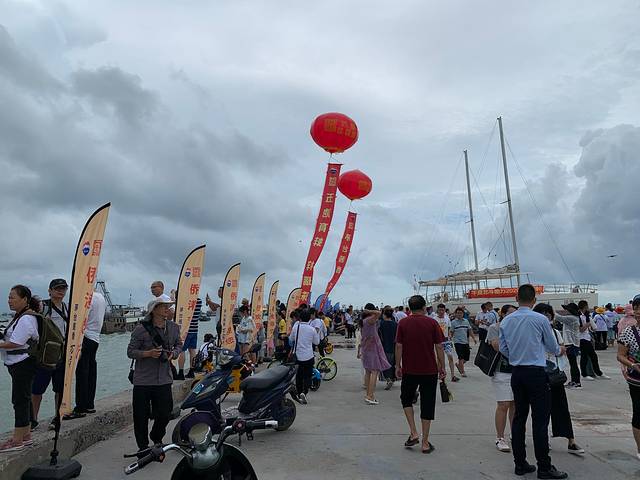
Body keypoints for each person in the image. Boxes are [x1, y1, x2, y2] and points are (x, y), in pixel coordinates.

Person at [499, 284, 567, 479]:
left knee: (519, 418)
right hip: (536, 373)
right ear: (534, 300)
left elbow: (503, 348)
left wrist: (516, 356)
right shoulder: (540, 319)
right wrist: (558, 350)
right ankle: (544, 467)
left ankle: (520, 463)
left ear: (516, 298)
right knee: (540, 420)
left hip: (517, 373)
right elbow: (552, 346)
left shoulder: (506, 321)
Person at [127, 297, 182, 455]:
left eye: (168, 306)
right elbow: (130, 352)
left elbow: (179, 344)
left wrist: (174, 354)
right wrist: (148, 353)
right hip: (143, 379)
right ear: (154, 309)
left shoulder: (173, 327)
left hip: (164, 378)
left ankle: (156, 436)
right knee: (140, 416)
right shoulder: (141, 329)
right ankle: (143, 446)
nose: (167, 309)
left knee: (165, 412)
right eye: (164, 306)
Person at [395, 295, 445, 454]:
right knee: (427, 403)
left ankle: (413, 432)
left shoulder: (403, 323)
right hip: (429, 370)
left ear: (410, 308)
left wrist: (397, 365)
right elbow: (439, 346)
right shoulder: (432, 323)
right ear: (424, 307)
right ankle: (425, 442)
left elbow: (399, 346)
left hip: (409, 369)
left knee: (406, 399)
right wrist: (442, 366)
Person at [533, 303, 585, 456]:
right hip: (538, 374)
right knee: (541, 410)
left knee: (561, 407)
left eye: (548, 314)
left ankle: (571, 441)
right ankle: (543, 439)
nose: (546, 317)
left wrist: (558, 349)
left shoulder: (555, 332)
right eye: (542, 314)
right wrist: (557, 349)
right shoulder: (533, 333)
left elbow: (562, 349)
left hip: (554, 374)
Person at [0, 286, 40, 452]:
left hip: (23, 363)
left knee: (20, 400)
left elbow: (16, 343)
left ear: (24, 299)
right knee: (24, 398)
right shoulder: (21, 316)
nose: (9, 300)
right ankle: (26, 435)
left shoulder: (26, 319)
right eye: (9, 297)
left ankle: (17, 441)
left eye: (12, 297)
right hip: (21, 363)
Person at [32, 278, 73, 429]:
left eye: (63, 288)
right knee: (37, 389)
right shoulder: (42, 307)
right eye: (57, 288)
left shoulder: (67, 308)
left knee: (60, 388)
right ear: (49, 290)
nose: (61, 291)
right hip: (45, 355)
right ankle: (33, 419)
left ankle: (58, 416)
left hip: (62, 353)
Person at [69, 289, 106, 418]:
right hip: (95, 337)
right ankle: (90, 404)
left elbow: (80, 318)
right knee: (91, 371)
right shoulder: (101, 297)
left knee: (82, 373)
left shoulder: (87, 297)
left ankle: (80, 407)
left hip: (85, 336)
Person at [487, 304, 516, 453]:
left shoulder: (519, 328)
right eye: (510, 314)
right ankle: (500, 437)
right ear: (502, 314)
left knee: (515, 404)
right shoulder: (495, 328)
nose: (513, 316)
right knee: (504, 404)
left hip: (517, 370)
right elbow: (497, 346)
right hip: (501, 371)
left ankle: (515, 433)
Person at [616, 296, 640, 460]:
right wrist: (632, 365)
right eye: (636, 308)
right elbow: (620, 355)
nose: (638, 312)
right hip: (637, 380)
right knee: (638, 413)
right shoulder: (628, 332)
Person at [360, 303, 391, 405]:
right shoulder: (370, 320)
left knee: (368, 371)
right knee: (374, 371)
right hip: (372, 349)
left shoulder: (364, 321)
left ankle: (369, 395)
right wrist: (369, 311)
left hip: (366, 348)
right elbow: (379, 313)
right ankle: (370, 395)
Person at [289, 308, 319, 405]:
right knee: (308, 376)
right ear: (309, 318)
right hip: (308, 356)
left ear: (300, 318)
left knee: (299, 375)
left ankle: (299, 393)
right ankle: (304, 392)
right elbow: (316, 342)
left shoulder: (296, 327)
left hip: (298, 356)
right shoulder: (312, 329)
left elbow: (291, 339)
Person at [577, 300, 609, 380]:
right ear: (585, 307)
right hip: (582, 339)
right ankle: (586, 374)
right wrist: (588, 324)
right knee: (586, 356)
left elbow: (594, 328)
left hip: (587, 338)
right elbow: (581, 329)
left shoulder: (586, 316)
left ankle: (596, 372)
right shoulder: (579, 317)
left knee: (591, 356)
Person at [555, 303, 583, 389]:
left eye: (566, 309)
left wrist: (551, 310)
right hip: (573, 343)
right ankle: (574, 381)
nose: (565, 311)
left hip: (571, 344)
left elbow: (559, 317)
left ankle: (576, 382)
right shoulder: (574, 318)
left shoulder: (571, 318)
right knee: (573, 363)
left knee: (573, 364)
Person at [177, 297, 202, 380]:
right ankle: (191, 371)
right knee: (192, 350)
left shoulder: (186, 299)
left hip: (185, 330)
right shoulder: (199, 301)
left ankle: (181, 372)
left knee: (182, 350)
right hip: (195, 329)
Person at [433, 303, 459, 382]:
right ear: (437, 310)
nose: (441, 312)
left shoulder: (447, 318)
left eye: (442, 310)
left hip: (446, 340)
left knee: (450, 357)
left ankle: (453, 375)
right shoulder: (434, 319)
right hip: (438, 341)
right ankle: (440, 374)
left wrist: (450, 335)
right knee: (439, 359)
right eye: (440, 310)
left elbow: (449, 328)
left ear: (444, 310)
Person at [450, 306, 476, 377]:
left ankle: (459, 365)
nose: (459, 314)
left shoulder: (466, 321)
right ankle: (462, 372)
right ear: (455, 314)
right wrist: (450, 338)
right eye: (458, 313)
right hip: (457, 342)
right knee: (460, 357)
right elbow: (451, 331)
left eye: (460, 313)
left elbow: (470, 330)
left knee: (466, 358)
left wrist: (474, 338)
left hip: (465, 342)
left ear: (463, 314)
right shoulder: (453, 322)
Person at [379, 306, 398, 390]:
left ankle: (388, 379)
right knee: (393, 364)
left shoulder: (381, 324)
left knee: (384, 364)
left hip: (384, 347)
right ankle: (392, 379)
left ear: (384, 315)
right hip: (394, 347)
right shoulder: (395, 324)